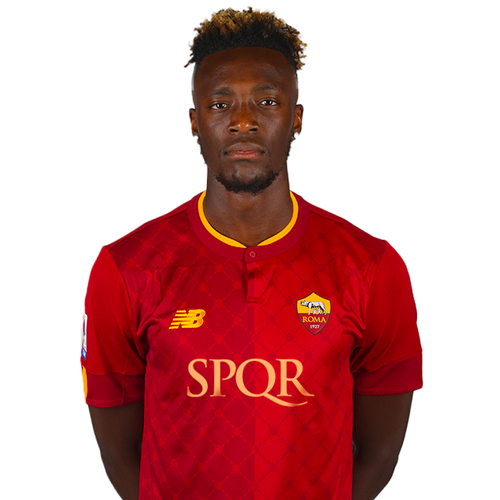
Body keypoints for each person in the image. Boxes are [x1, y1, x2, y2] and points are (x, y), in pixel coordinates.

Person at [78, 4, 425, 499]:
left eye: (267, 101)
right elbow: (119, 456)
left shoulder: (372, 267)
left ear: (297, 117)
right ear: (193, 121)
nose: (244, 121)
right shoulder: (125, 268)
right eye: (221, 104)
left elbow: (378, 455)